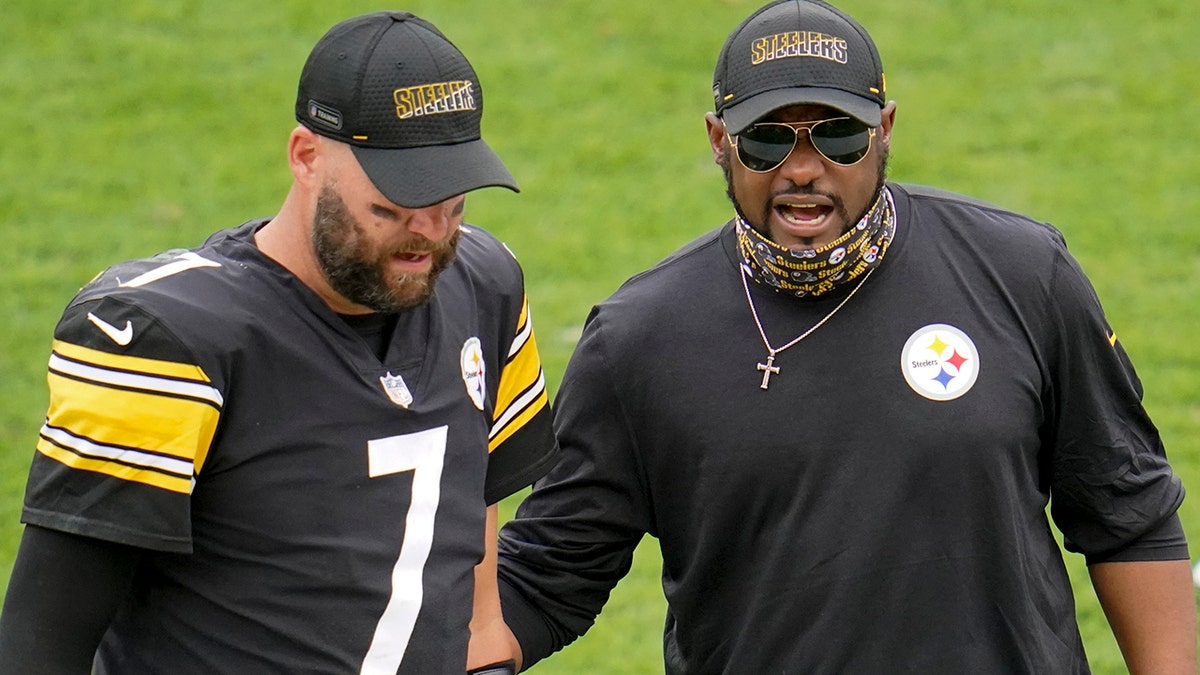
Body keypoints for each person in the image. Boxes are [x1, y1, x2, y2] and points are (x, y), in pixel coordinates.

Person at [493, 1, 1196, 672]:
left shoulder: (1023, 274)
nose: (804, 168)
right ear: (718, 140)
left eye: (838, 134)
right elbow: (551, 572)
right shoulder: (639, 338)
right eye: (768, 138)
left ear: (885, 129)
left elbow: (1126, 513)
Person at [0, 11, 555, 674]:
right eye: (392, 205)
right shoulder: (165, 341)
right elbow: (44, 634)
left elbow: (469, 484)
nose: (430, 233)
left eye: (451, 200)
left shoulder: (486, 284)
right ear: (306, 156)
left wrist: (485, 633)